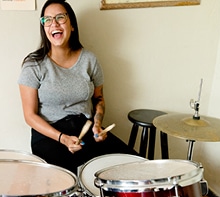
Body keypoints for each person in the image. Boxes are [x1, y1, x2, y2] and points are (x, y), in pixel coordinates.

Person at [18, 0, 137, 174]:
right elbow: (30, 116)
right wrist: (63, 138)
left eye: (60, 17)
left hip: (85, 128)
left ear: (72, 25)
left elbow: (99, 98)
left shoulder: (89, 59)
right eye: (47, 20)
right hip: (49, 135)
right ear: (43, 27)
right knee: (74, 181)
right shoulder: (33, 65)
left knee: (134, 167)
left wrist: (97, 124)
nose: (54, 24)